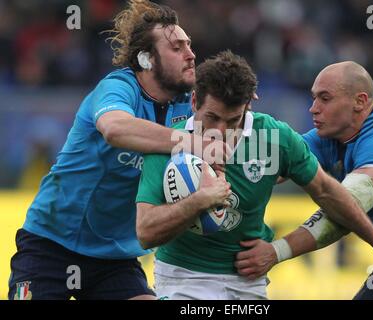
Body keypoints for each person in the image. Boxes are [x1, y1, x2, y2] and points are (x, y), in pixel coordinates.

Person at [135, 51, 373, 300]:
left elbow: (327, 192)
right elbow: (146, 232)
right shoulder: (170, 143)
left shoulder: (273, 137)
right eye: (212, 118)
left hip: (248, 283)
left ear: (248, 106)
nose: (219, 131)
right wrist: (199, 201)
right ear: (195, 101)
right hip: (184, 278)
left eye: (233, 121)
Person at [8, 1, 227, 300]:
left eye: (189, 45)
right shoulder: (117, 88)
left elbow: (229, 122)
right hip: (50, 244)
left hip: (113, 259)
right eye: (177, 48)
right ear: (147, 60)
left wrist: (238, 96)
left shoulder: (188, 102)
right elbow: (115, 129)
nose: (191, 55)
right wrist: (192, 142)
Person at [235, 61, 373, 300]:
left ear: (360, 101)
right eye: (314, 98)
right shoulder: (326, 137)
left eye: (325, 99)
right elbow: (265, 171)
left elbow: (347, 209)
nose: (313, 109)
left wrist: (276, 251)